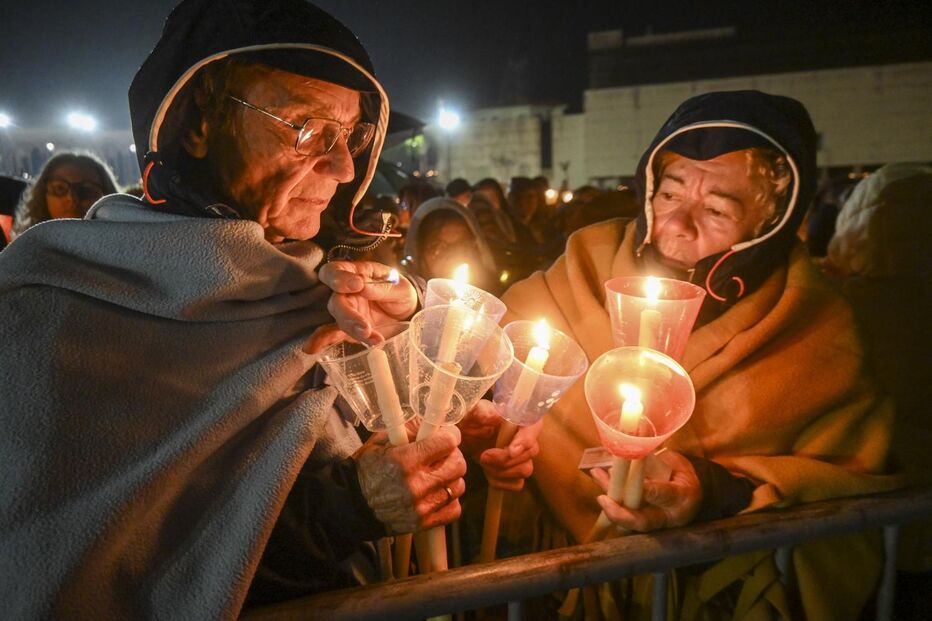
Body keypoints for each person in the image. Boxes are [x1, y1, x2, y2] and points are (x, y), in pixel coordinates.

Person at [0, 1, 528, 618]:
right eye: (307, 128)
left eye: (353, 135)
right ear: (198, 125)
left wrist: (445, 432)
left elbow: (370, 465)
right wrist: (345, 508)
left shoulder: (315, 293)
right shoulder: (54, 305)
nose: (345, 166)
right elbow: (94, 567)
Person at [483, 91, 901, 620]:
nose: (679, 224)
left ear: (770, 223)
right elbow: (485, 359)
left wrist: (714, 492)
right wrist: (493, 419)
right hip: (552, 591)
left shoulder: (816, 325)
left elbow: (847, 492)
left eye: (718, 210)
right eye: (670, 194)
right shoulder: (584, 267)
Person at [10, 151, 119, 237]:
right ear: (43, 194)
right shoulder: (26, 254)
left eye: (87, 190)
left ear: (107, 194)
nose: (72, 198)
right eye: (60, 188)